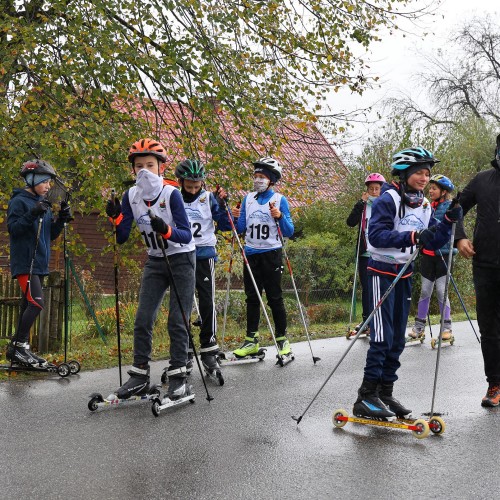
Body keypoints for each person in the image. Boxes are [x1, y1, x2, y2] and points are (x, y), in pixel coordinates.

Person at [353, 147, 462, 420]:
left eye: (427, 174)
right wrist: (414, 236)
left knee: (397, 340)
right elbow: (376, 237)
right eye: (419, 173)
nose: (424, 178)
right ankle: (366, 396)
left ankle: (385, 392)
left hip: (403, 275)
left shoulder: (424, 204)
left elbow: (432, 240)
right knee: (381, 337)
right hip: (380, 273)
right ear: (404, 173)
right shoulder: (387, 199)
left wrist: (448, 222)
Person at [105, 138, 196, 400]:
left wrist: (165, 230)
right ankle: (139, 376)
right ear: (132, 170)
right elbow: (122, 236)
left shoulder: (171, 194)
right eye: (139, 166)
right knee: (143, 318)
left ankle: (179, 377)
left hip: (181, 259)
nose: (144, 170)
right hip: (155, 260)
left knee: (177, 320)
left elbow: (186, 236)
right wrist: (115, 216)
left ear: (161, 168)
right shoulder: (131, 195)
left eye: (150, 165)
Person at [6, 159, 73, 366]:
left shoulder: (44, 203)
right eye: (44, 181)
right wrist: (32, 212)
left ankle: (21, 349)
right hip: (25, 262)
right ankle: (17, 346)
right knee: (37, 303)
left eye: (49, 182)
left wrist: (61, 219)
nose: (48, 186)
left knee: (28, 304)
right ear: (31, 179)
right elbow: (14, 229)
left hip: (40, 264)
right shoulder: (19, 202)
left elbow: (50, 235)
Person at [230, 157, 294, 359]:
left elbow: (289, 231)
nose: (257, 180)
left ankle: (282, 339)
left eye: (262, 177)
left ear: (271, 180)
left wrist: (279, 216)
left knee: (275, 298)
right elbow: (240, 228)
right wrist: (233, 216)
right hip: (251, 254)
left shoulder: (279, 200)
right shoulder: (248, 199)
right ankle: (251, 340)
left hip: (271, 254)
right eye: (255, 176)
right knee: (252, 299)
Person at [174, 159, 232, 377]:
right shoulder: (174, 197)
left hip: (204, 254)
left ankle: (209, 347)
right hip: (180, 254)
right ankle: (185, 348)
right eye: (189, 186)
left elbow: (225, 226)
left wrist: (224, 205)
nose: (193, 190)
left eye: (197, 186)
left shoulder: (208, 199)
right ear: (181, 182)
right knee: (183, 302)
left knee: (207, 300)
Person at [455, 134, 500, 408]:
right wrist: (459, 237)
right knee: (490, 329)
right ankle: (495, 383)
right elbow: (456, 206)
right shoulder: (482, 179)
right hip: (485, 265)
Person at [409, 174, 456, 341]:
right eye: (431, 188)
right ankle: (419, 327)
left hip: (443, 256)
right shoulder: (426, 206)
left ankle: (447, 328)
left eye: (434, 188)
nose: (431, 190)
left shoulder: (450, 207)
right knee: (425, 291)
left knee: (442, 292)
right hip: (427, 256)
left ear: (444, 191)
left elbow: (452, 230)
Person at [346, 173, 386, 335]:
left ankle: (380, 318)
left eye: (377, 189)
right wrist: (361, 203)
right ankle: (367, 320)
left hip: (381, 253)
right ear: (367, 191)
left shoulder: (386, 206)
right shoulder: (363, 206)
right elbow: (350, 222)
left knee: (380, 288)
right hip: (365, 253)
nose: (374, 192)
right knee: (367, 288)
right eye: (371, 189)